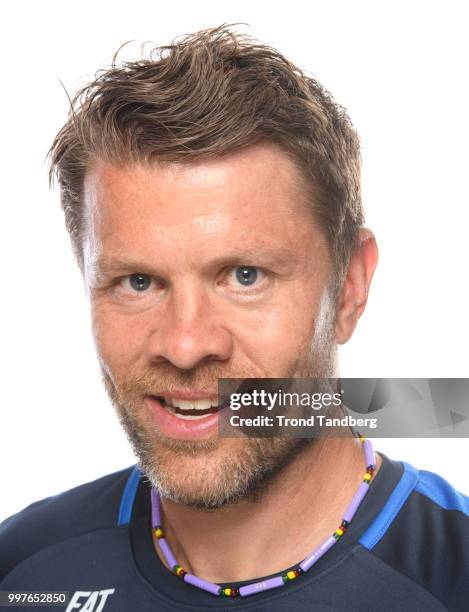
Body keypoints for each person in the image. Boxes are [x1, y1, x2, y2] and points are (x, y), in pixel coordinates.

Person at [1, 25, 468, 612]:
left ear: (349, 287)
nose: (187, 343)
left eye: (245, 276)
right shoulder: (20, 571)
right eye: (138, 282)